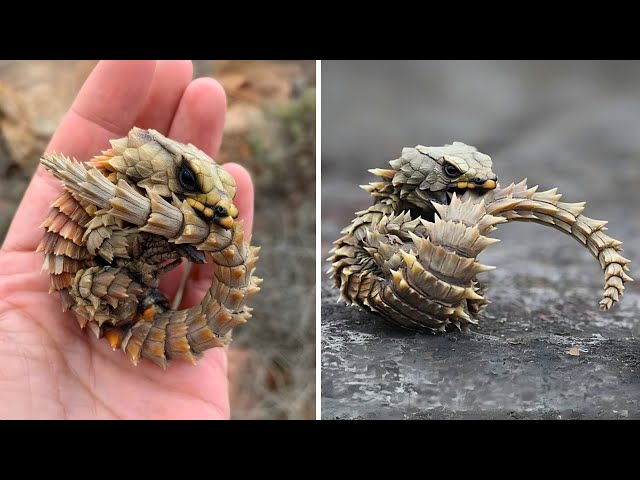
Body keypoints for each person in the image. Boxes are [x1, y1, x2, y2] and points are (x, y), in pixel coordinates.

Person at [0, 60, 254, 419]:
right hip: (97, 288)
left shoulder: (147, 196)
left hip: (131, 287)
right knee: (104, 249)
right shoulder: (109, 190)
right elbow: (103, 239)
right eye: (184, 178)